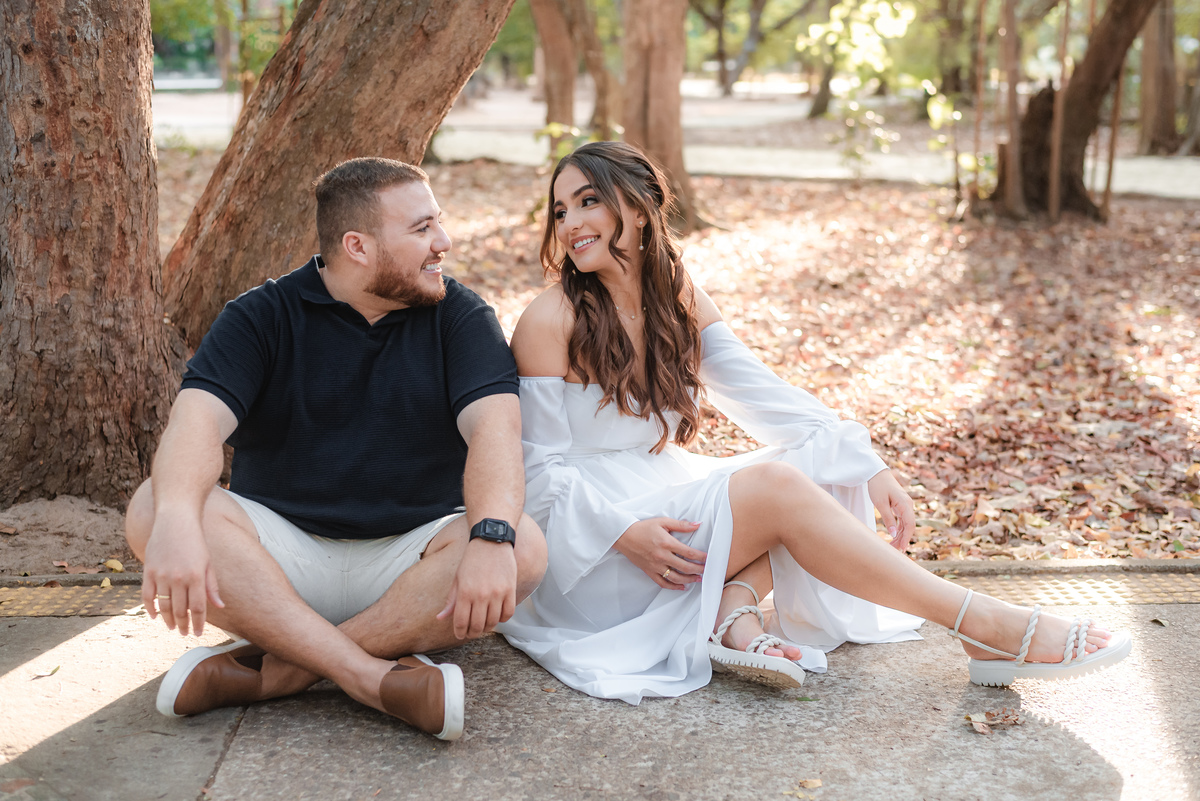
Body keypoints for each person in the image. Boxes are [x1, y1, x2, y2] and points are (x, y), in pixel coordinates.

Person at [495, 141, 1130, 704]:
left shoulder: (678, 298)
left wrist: (868, 460)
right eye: (560, 210)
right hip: (593, 552)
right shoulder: (550, 320)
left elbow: (766, 398)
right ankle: (986, 624)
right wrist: (623, 532)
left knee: (823, 461)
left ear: (635, 208)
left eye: (587, 202)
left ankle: (732, 614)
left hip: (656, 501)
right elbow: (535, 476)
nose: (571, 223)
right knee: (777, 487)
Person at [125, 157, 547, 740]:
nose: (443, 243)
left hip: (411, 565)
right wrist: (173, 520)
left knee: (520, 543)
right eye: (422, 229)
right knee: (154, 506)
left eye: (438, 224)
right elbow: (194, 427)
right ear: (358, 245)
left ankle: (277, 672)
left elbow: (494, 435)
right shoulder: (260, 316)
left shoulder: (461, 316)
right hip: (278, 567)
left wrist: (493, 534)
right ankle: (371, 677)